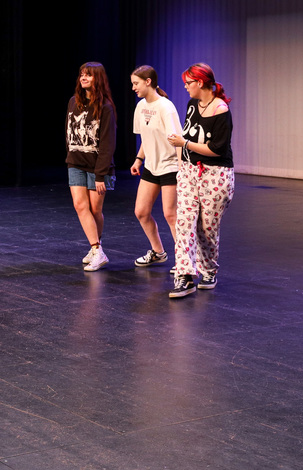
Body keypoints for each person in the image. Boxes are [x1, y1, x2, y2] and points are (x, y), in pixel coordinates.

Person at [166, 63, 234, 298]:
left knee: (206, 228)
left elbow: (218, 149)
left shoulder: (221, 110)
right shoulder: (193, 105)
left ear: (201, 83)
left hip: (216, 174)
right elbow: (189, 133)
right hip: (189, 171)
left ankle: (208, 270)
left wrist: (184, 144)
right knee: (184, 222)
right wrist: (181, 144)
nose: (185, 87)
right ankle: (184, 276)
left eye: (188, 83)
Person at [129, 66, 182, 268]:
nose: (133, 88)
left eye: (136, 83)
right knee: (141, 211)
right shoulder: (140, 107)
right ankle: (158, 252)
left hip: (170, 166)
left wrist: (182, 169)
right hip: (151, 166)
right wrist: (138, 159)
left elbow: (176, 139)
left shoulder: (165, 107)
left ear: (148, 81)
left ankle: (184, 261)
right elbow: (147, 136)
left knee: (171, 214)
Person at [65, 62, 117, 271]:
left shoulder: (105, 107)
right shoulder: (72, 102)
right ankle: (96, 249)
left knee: (95, 210)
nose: (83, 78)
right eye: (81, 75)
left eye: (89, 75)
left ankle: (97, 249)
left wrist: (100, 174)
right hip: (75, 163)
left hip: (98, 168)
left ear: (98, 79)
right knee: (80, 206)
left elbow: (107, 143)